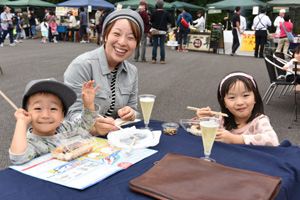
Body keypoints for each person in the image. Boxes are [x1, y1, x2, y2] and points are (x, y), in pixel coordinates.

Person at [64, 9, 144, 136]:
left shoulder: (132, 71)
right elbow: (72, 114)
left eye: (131, 38)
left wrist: (131, 113)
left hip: (115, 140)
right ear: (105, 35)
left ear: (137, 43)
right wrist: (93, 125)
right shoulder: (82, 65)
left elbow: (134, 108)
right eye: (117, 34)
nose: (123, 42)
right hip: (81, 140)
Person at [9, 78, 100, 165]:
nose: (45, 115)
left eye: (53, 108)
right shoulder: (30, 142)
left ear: (62, 115)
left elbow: (85, 126)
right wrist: (21, 122)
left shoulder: (64, 127)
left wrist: (88, 104)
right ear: (27, 114)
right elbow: (18, 157)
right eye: (38, 108)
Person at [196, 72, 279, 146]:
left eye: (245, 95)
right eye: (232, 97)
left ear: (255, 98)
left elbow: (273, 141)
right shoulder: (221, 118)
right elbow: (204, 134)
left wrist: (234, 139)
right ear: (224, 103)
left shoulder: (259, 120)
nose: (239, 102)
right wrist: (203, 120)